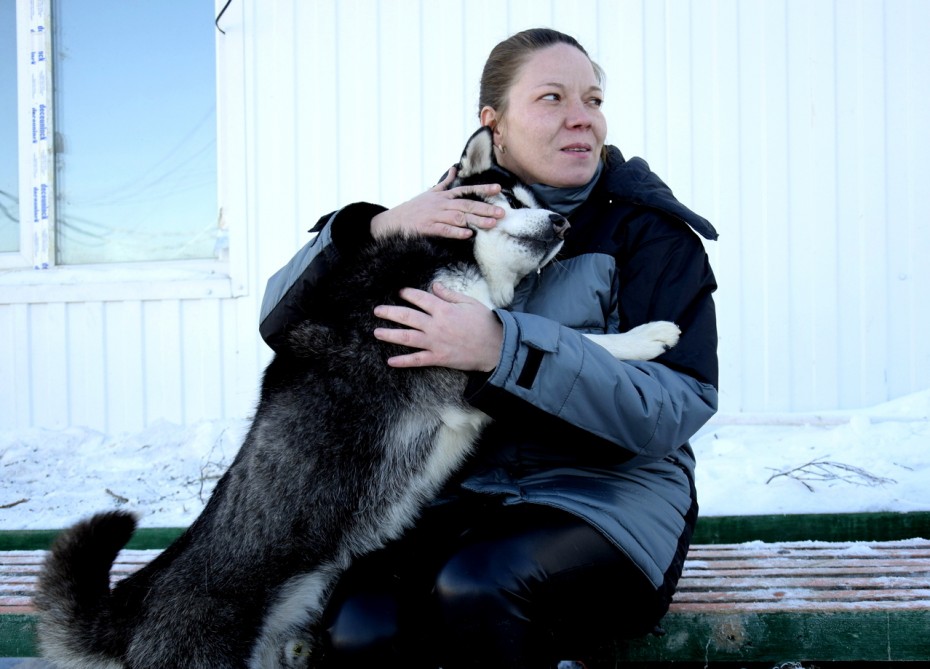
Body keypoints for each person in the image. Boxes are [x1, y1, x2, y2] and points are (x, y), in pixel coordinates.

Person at [259, 27, 719, 669]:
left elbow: (671, 408)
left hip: (606, 502)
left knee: (478, 584)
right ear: (492, 123)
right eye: (552, 98)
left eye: (593, 99)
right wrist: (375, 228)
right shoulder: (444, 216)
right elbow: (282, 324)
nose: (581, 118)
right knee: (360, 618)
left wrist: (502, 350)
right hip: (462, 500)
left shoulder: (649, 238)